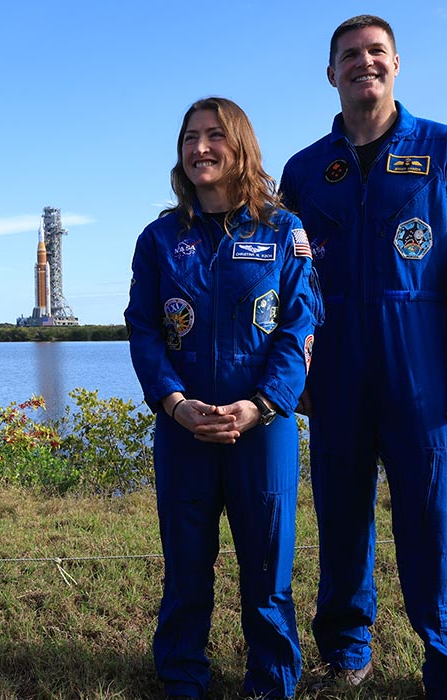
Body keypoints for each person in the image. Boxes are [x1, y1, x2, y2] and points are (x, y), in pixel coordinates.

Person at [279, 15, 447, 699]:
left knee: (431, 519)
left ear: (397, 64)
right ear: (331, 73)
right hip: (336, 363)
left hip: (421, 361)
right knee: (341, 515)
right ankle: (347, 651)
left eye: (376, 52)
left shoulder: (444, 151)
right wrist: (297, 374)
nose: (363, 63)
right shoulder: (306, 171)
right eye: (350, 55)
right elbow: (285, 286)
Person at [125, 97, 321, 700]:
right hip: (184, 427)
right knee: (186, 567)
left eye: (214, 136)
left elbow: (302, 324)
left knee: (266, 571)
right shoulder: (160, 238)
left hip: (262, 426)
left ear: (241, 146)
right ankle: (183, 674)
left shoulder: (284, 231)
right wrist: (175, 403)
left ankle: (272, 679)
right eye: (190, 137)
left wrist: (262, 404)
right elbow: (144, 329)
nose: (201, 147)